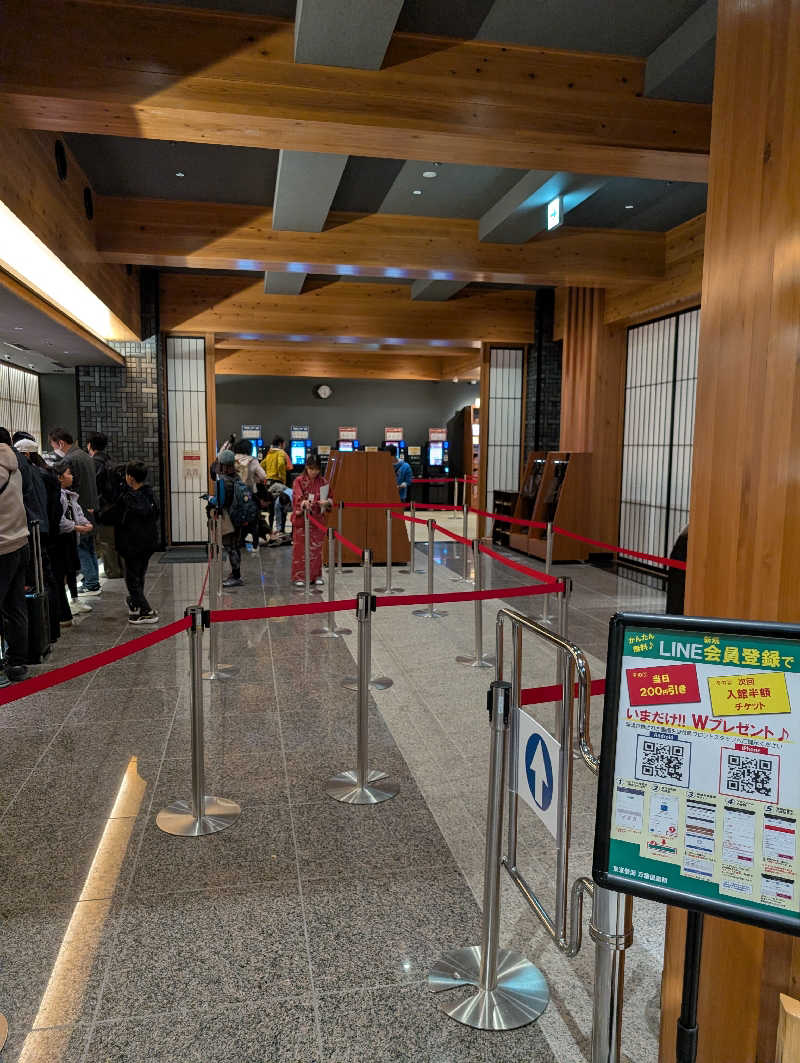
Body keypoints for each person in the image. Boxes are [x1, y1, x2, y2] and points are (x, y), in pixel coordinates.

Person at [99, 461, 160, 624]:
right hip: (149, 542)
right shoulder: (149, 494)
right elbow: (156, 515)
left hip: (130, 543)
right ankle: (135, 602)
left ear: (130, 478)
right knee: (139, 574)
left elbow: (110, 517)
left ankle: (146, 610)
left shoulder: (126, 499)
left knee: (132, 578)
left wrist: (96, 514)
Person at [15, 438, 63, 643]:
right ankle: (52, 629)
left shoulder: (27, 474)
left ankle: (41, 634)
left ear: (25, 455)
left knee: (38, 581)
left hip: (33, 533)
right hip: (47, 530)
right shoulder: (45, 473)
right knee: (48, 579)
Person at [48, 428, 101, 595]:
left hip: (80, 508)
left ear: (60, 443)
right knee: (90, 547)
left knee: (82, 548)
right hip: (91, 506)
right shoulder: (86, 456)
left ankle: (91, 582)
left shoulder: (70, 459)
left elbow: (69, 483)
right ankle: (93, 580)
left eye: (53, 445)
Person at [0, 439, 30, 685]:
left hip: (1, 547)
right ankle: (18, 661)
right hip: (20, 541)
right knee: (16, 606)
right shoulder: (16, 466)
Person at [52, 460, 94, 623]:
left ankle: (75, 600)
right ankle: (66, 606)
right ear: (60, 477)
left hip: (70, 537)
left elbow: (77, 512)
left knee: (71, 569)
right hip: (62, 538)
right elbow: (60, 521)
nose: (72, 476)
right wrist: (78, 527)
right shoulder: (57, 495)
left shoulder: (69, 495)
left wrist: (85, 523)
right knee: (63, 571)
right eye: (69, 473)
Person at [290, 453, 332, 587]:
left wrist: (326, 502)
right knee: (300, 549)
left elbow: (331, 498)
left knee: (316, 550)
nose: (314, 472)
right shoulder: (299, 481)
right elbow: (297, 496)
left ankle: (316, 575)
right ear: (306, 467)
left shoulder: (324, 482)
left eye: (316, 469)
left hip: (318, 520)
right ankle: (299, 576)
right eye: (311, 468)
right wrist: (303, 504)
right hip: (303, 519)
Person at [87, 431, 124, 578]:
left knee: (106, 542)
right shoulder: (110, 461)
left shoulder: (94, 463)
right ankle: (120, 569)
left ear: (90, 445)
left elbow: (94, 487)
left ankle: (113, 571)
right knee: (115, 541)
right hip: (116, 507)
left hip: (103, 508)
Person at [212, 449, 246, 587]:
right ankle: (235, 572)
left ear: (222, 465)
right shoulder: (237, 477)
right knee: (236, 545)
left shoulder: (222, 481)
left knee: (230, 546)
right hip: (238, 517)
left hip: (228, 519)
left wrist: (210, 501)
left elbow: (220, 502)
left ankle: (236, 576)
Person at [233, 439, 268, 547]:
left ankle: (238, 540)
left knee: (236, 517)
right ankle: (255, 543)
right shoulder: (252, 460)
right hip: (249, 495)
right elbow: (263, 476)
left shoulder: (232, 459)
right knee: (253, 518)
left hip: (234, 495)